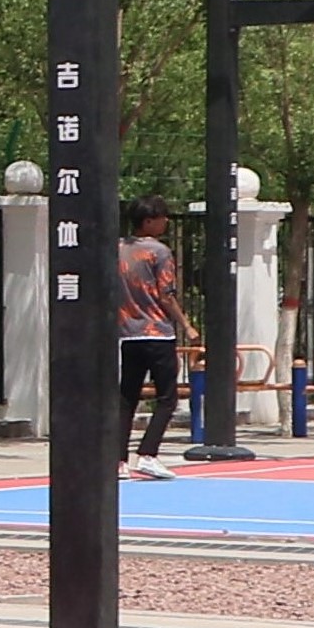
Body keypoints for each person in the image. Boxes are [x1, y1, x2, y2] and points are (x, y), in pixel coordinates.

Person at [116, 199, 197, 481]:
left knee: (127, 397)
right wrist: (186, 325)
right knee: (167, 398)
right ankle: (148, 454)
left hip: (129, 334)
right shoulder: (159, 251)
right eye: (162, 217)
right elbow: (166, 294)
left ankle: (118, 461)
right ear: (148, 221)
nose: (166, 222)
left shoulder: (118, 249)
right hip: (157, 334)